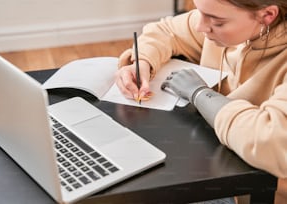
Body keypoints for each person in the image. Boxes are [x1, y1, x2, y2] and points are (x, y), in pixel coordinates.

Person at [115, 0, 287, 203]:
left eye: (218, 22)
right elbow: (167, 30)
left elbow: (271, 139)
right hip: (212, 165)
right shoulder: (232, 19)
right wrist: (143, 60)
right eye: (199, 12)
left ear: (267, 15)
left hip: (253, 191)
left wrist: (199, 94)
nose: (199, 26)